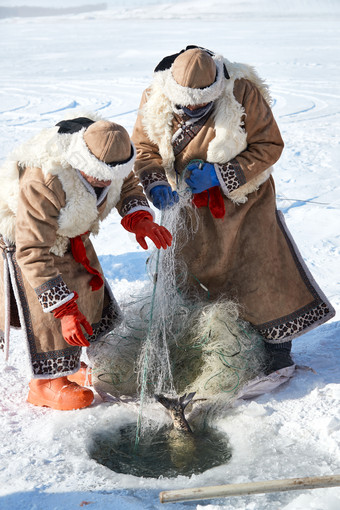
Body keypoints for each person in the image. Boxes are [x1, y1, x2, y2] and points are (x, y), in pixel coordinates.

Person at [131, 45, 335, 375]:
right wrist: (155, 183)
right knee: (191, 278)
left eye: (202, 103)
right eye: (187, 104)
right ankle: (201, 348)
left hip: (245, 203)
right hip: (186, 207)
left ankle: (276, 349)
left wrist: (222, 174)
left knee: (259, 272)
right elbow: (144, 148)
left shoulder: (242, 92)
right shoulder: (154, 98)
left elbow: (269, 146)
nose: (194, 108)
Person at [0, 113, 172, 410]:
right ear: (84, 160)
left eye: (113, 173)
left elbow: (126, 184)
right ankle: (45, 383)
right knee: (52, 314)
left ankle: (69, 365)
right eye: (101, 173)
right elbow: (32, 251)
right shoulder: (46, 178)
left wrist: (138, 217)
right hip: (29, 241)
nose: (108, 180)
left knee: (87, 292)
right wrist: (64, 310)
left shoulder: (113, 159)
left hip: (70, 233)